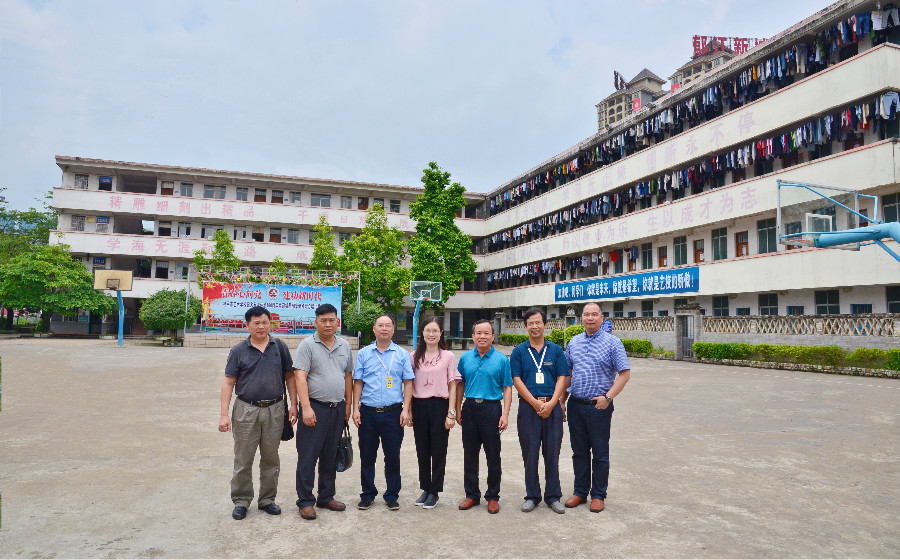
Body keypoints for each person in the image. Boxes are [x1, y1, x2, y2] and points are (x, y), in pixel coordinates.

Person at [219, 306, 295, 521]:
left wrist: (294, 405)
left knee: (271, 458)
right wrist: (224, 415)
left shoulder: (279, 347)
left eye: (264, 322)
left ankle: (267, 500)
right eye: (256, 323)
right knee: (243, 458)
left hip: (275, 409)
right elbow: (228, 383)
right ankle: (241, 501)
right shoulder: (238, 351)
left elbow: (290, 377)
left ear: (270, 323)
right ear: (247, 326)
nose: (261, 326)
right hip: (246, 409)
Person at [562, 302, 631, 514]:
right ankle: (580, 491)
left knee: (600, 452)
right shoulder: (574, 342)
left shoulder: (613, 343)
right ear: (581, 318)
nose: (590, 318)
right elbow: (568, 374)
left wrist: (608, 398)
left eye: (594, 314)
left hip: (599, 406)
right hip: (576, 404)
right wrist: (562, 401)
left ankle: (599, 495)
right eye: (586, 315)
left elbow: (625, 374)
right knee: (579, 451)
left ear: (602, 318)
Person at [291, 303, 353, 520]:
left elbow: (347, 376)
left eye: (332, 320)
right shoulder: (307, 345)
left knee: (330, 455)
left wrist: (348, 406)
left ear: (337, 321)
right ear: (316, 322)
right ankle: (305, 501)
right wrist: (305, 408)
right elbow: (300, 376)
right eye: (323, 320)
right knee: (308, 456)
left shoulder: (344, 346)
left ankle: (326, 496)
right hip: (315, 408)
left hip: (337, 409)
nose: (328, 324)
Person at [352, 314, 415, 511]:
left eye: (388, 325)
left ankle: (392, 495)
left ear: (393, 330)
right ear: (374, 329)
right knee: (367, 456)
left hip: (393, 413)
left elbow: (408, 382)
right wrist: (355, 408)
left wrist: (406, 409)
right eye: (380, 325)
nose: (384, 329)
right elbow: (358, 382)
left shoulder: (402, 354)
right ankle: (367, 494)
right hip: (368, 413)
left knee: (392, 456)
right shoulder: (363, 353)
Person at [510, 307, 569, 514]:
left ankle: (553, 496)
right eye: (530, 323)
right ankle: (532, 496)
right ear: (525, 327)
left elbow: (563, 376)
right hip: (528, 409)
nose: (534, 326)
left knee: (552, 454)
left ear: (545, 324)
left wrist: (553, 403)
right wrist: (535, 404)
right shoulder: (518, 351)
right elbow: (516, 380)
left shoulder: (555, 350)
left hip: (552, 408)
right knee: (530, 454)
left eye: (538, 322)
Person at [455, 319, 512, 514]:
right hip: (470, 408)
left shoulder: (502, 360)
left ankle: (493, 496)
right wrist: (457, 408)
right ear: (473, 336)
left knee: (493, 456)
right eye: (478, 333)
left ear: (493, 336)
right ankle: (471, 494)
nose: (482, 336)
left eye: (486, 333)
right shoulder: (465, 358)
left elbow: (507, 387)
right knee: (470, 455)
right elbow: (460, 384)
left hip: (492, 409)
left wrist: (505, 413)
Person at [409, 317, 460, 509]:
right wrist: (410, 410)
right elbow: (409, 384)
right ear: (422, 332)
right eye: (428, 330)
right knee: (422, 450)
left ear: (440, 334)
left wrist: (451, 412)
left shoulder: (448, 356)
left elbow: (452, 385)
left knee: (438, 451)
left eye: (435, 331)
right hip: (419, 406)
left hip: (440, 406)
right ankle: (425, 487)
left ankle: (435, 491)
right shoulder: (414, 356)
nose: (431, 334)